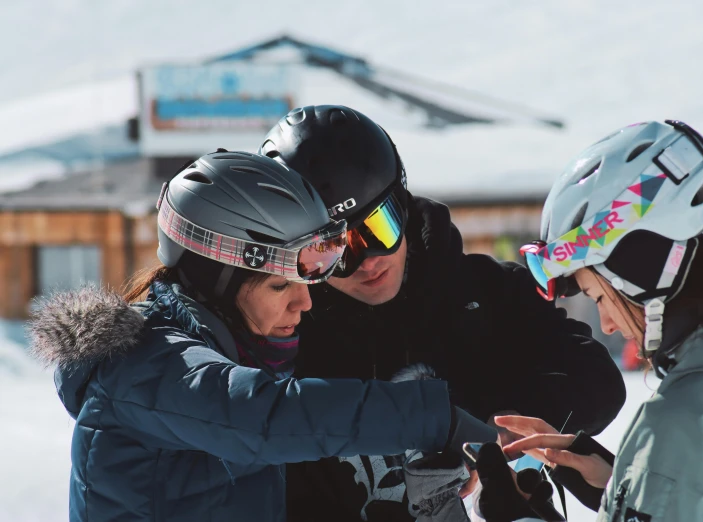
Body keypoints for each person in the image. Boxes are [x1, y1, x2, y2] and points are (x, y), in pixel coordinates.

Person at [26, 151, 497, 522]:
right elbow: (263, 416)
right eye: (280, 285)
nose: (304, 303)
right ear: (220, 281)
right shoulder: (147, 362)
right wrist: (437, 417)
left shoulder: (242, 350)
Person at [259, 105, 626, 520]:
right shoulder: (286, 335)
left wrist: (481, 428)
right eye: (334, 249)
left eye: (380, 228)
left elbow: (597, 382)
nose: (368, 262)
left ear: (403, 204)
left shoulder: (485, 292)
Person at [477, 119, 703, 521]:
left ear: (643, 269)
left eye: (598, 296)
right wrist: (625, 482)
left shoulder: (688, 417)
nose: (605, 324)